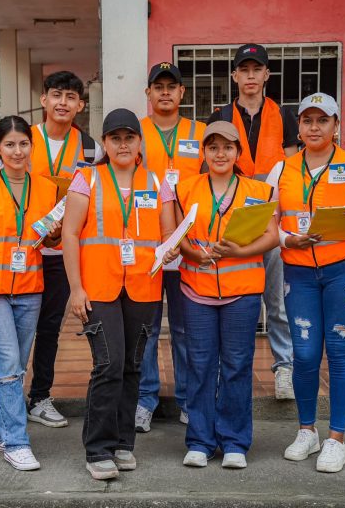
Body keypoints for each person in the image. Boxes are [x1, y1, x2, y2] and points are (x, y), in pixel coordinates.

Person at [267, 92, 345, 473]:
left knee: (339, 351)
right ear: (298, 128)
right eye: (307, 121)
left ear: (336, 126)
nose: (314, 128)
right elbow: (269, 224)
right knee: (304, 354)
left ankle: (336, 438)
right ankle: (306, 431)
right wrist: (288, 240)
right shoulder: (281, 170)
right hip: (299, 273)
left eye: (322, 120)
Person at [0, 71, 102, 432]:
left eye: (71, 97)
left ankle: (40, 397)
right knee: (11, 334)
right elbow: (1, 188)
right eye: (56, 95)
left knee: (48, 329)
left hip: (61, 252)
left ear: (81, 105)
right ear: (44, 99)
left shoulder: (91, 148)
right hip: (19, 253)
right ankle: (6, 401)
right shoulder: (21, 137)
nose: (63, 102)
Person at [62, 108, 178, 480]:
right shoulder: (87, 179)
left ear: (139, 142)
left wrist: (171, 248)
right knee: (108, 365)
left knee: (132, 366)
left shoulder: (156, 181)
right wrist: (76, 288)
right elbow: (69, 234)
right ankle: (98, 449)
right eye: (116, 138)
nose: (123, 144)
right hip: (99, 289)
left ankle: (123, 443)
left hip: (143, 287)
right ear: (105, 143)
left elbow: (168, 234)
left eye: (129, 137)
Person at [175, 121, 278, 469]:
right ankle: (200, 441)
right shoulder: (185, 189)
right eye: (213, 147)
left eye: (228, 147)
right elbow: (178, 235)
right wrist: (193, 254)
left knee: (236, 365)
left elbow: (272, 235)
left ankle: (234, 441)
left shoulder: (258, 190)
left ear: (238, 152)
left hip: (242, 292)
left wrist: (239, 252)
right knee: (200, 365)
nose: (220, 154)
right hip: (197, 290)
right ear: (204, 152)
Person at [0, 115, 61, 471]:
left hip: (30, 289)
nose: (17, 151)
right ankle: (17, 443)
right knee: (7, 364)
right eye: (9, 144)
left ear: (31, 147)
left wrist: (54, 232)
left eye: (23, 144)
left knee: (17, 365)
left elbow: (49, 241)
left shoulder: (47, 188)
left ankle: (0, 433)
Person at [208, 43, 301, 400]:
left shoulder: (285, 116)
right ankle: (226, 371)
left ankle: (284, 368)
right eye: (243, 69)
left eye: (256, 69)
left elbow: (291, 171)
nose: (250, 75)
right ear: (234, 75)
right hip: (230, 222)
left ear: (266, 74)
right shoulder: (220, 116)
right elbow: (211, 169)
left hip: (271, 219)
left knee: (277, 302)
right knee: (231, 301)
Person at [135, 62, 206, 433]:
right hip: (147, 245)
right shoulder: (135, 132)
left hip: (188, 245)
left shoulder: (201, 133)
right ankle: (144, 399)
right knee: (145, 329)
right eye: (158, 86)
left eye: (171, 86)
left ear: (182, 93)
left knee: (184, 329)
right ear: (148, 93)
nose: (165, 92)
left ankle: (188, 399)